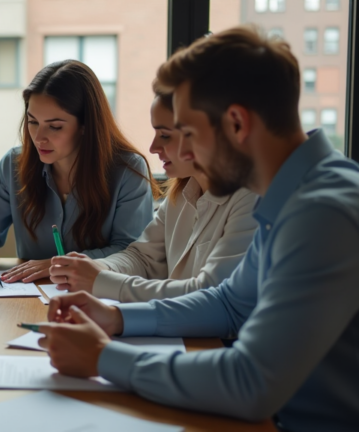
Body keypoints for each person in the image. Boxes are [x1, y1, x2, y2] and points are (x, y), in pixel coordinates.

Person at [38, 26, 359, 431]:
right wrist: (116, 318)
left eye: (188, 133)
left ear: (237, 124)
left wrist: (103, 358)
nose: (183, 153)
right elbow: (229, 304)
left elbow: (251, 382)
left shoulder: (323, 212)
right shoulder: (293, 194)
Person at [0, 60, 159, 283]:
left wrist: (53, 265)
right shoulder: (13, 164)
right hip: (28, 299)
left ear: (85, 126)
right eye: (33, 122)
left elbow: (130, 253)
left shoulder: (128, 171)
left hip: (99, 300)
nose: (39, 137)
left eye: (55, 126)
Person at [47, 92, 257, 302]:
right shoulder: (182, 194)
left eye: (165, 135)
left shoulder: (249, 199)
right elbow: (142, 258)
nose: (153, 148)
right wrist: (97, 267)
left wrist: (100, 281)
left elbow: (210, 294)